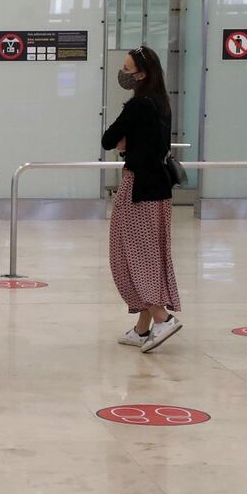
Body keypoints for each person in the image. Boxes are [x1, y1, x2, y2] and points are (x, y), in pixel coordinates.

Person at [102, 46, 182, 353]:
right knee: (152, 255)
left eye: (128, 70)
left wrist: (125, 142)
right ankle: (141, 329)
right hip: (160, 190)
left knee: (131, 257)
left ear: (143, 74)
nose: (124, 75)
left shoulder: (137, 107)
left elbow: (108, 139)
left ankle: (162, 318)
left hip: (138, 190)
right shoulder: (162, 103)